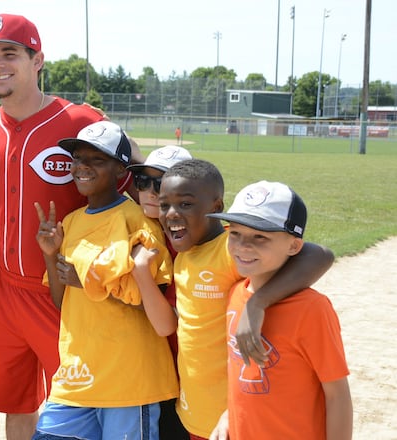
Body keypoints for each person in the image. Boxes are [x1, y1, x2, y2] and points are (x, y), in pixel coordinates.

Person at [0, 14, 142, 439]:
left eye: (10, 53)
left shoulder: (80, 120)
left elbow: (138, 177)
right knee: (16, 403)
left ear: (37, 59)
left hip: (62, 287)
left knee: (83, 399)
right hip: (3, 288)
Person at [157, 159, 335, 439]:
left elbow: (319, 254)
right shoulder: (185, 256)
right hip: (194, 412)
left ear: (216, 208)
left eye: (186, 204)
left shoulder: (231, 247)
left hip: (231, 417)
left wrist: (257, 303)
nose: (171, 213)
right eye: (164, 204)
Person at [32, 120, 178, 439]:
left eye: (97, 160)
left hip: (128, 380)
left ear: (120, 170)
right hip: (77, 374)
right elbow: (63, 302)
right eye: (78, 159)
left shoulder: (138, 223)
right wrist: (50, 252)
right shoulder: (70, 222)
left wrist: (86, 281)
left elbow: (152, 310)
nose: (83, 167)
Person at [207, 181, 352, 440]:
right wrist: (228, 414)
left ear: (294, 246)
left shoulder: (312, 309)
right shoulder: (237, 292)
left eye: (260, 236)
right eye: (235, 233)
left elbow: (337, 394)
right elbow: (240, 371)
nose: (242, 246)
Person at [127, 144, 193, 440]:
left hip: (189, 374)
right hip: (151, 372)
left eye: (162, 184)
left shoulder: (198, 240)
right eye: (144, 182)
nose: (152, 192)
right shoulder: (137, 225)